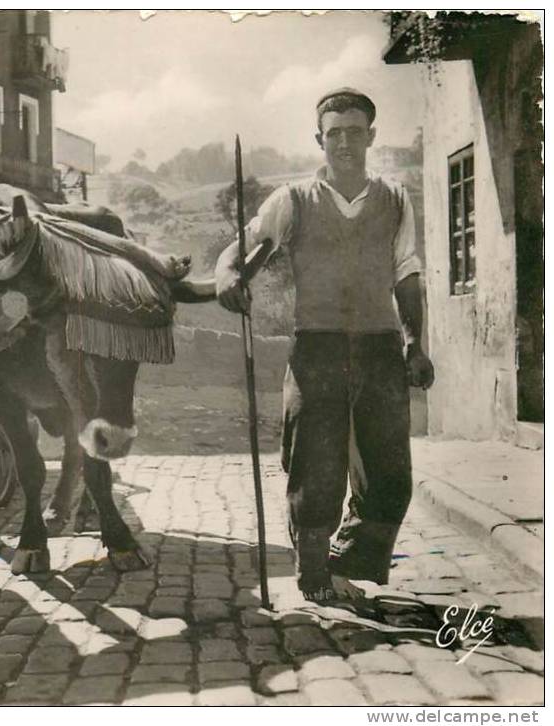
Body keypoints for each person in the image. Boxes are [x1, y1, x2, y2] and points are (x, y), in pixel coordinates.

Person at [215, 88, 435, 604]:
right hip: (317, 349)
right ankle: (316, 578)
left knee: (389, 475)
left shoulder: (395, 198)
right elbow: (244, 247)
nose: (343, 142)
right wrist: (228, 273)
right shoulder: (291, 200)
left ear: (371, 137)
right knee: (315, 467)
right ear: (319, 139)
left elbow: (407, 274)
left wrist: (415, 344)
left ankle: (349, 561)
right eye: (333, 132)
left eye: (354, 132)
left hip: (381, 348)